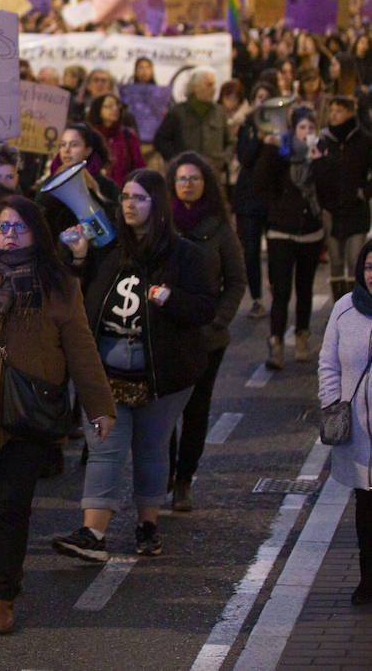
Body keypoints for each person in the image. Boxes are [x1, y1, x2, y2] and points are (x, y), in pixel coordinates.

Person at [0, 196, 115, 633]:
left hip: (29, 410)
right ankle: (3, 576)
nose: (9, 235)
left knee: (11, 503)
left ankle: (2, 594)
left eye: (19, 227)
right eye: (3, 227)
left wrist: (99, 406)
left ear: (36, 234)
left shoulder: (59, 284)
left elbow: (80, 348)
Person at [55, 169, 217, 563]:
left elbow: (205, 308)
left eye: (139, 198)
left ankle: (148, 526)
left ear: (158, 205)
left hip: (163, 375)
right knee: (105, 449)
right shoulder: (107, 250)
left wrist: (171, 299)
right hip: (108, 373)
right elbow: (77, 298)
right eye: (125, 196)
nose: (129, 203)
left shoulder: (186, 255)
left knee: (150, 450)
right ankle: (93, 533)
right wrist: (76, 258)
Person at [166, 153, 246, 512]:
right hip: (166, 332)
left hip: (206, 338)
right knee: (163, 411)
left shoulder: (219, 228)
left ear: (206, 184)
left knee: (196, 411)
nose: (187, 184)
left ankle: (184, 479)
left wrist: (217, 319)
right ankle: (163, 474)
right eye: (181, 178)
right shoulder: (162, 223)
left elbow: (236, 280)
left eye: (194, 178)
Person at [316, 239, 372, 606]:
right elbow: (328, 364)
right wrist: (332, 403)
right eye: (369, 266)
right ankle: (368, 579)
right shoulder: (345, 308)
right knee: (366, 510)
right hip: (361, 432)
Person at [256, 105, 326, 368]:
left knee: (305, 288)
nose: (306, 132)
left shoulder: (320, 151)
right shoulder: (280, 151)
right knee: (281, 290)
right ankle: (276, 343)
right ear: (293, 130)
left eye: (311, 128)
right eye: (302, 128)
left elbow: (328, 187)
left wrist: (319, 161)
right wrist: (271, 150)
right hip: (281, 231)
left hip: (310, 231)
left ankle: (302, 337)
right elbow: (261, 182)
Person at [313, 96, 372, 301]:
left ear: (349, 112)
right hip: (332, 209)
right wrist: (320, 203)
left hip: (356, 208)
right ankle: (339, 306)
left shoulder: (363, 139)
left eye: (338, 110)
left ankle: (355, 304)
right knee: (336, 261)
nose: (333, 115)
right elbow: (315, 172)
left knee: (355, 258)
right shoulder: (324, 139)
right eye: (331, 111)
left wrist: (365, 192)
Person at [233, 81, 274, 318]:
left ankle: (275, 287)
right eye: (259, 96)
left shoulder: (281, 127)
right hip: (248, 199)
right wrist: (259, 137)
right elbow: (245, 158)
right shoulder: (247, 126)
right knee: (250, 250)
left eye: (266, 97)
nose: (262, 101)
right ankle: (257, 297)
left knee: (276, 251)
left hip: (272, 197)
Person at [153, 69, 231, 175]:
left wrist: (224, 160)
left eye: (214, 85)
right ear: (195, 87)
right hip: (184, 176)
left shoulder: (220, 113)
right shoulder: (178, 112)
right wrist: (177, 160)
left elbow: (230, 142)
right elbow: (160, 140)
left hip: (213, 174)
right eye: (209, 84)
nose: (213, 89)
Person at [88, 94, 145, 187]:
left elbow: (139, 166)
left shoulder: (128, 135)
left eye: (117, 105)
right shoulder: (90, 136)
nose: (115, 109)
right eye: (109, 106)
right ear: (99, 111)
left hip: (124, 191)